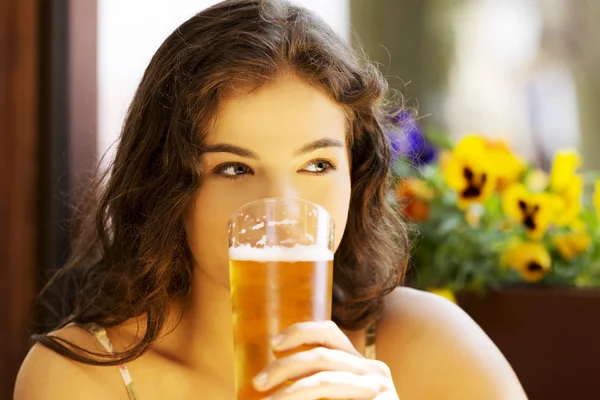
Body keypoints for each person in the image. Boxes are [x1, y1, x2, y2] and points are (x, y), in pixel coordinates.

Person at [15, 1, 527, 398]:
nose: (283, 211)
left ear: (357, 174)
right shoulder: (78, 378)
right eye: (234, 168)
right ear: (163, 186)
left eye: (317, 165)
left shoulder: (434, 346)